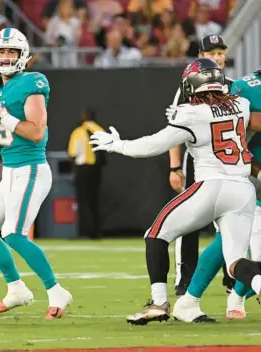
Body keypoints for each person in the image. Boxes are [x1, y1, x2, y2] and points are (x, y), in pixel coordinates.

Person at [90, 58, 261, 325]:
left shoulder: (190, 114)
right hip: (243, 189)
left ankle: (159, 303)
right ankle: (259, 283)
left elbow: (152, 146)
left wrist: (116, 144)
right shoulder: (241, 106)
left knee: (156, 235)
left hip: (211, 186)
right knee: (235, 262)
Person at [0, 28, 72, 319]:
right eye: (1, 51)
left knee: (13, 234)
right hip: (9, 171)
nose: (6, 57)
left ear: (23, 55)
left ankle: (56, 291)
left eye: (12, 51)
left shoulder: (33, 82)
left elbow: (36, 132)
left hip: (31, 169)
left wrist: (5, 115)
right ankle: (16, 289)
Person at [171, 69, 261, 322]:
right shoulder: (245, 88)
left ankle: (225, 296)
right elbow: (235, 133)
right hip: (246, 174)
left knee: (232, 242)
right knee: (235, 242)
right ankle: (207, 297)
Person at [168, 34, 234, 296]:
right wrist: (175, 166)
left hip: (228, 163)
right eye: (212, 53)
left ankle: (233, 276)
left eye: (220, 52)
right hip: (196, 161)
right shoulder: (190, 85)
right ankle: (185, 279)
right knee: (190, 221)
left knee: (230, 222)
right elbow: (175, 128)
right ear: (201, 57)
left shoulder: (233, 85)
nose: (217, 57)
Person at [68, 109, 106, 239]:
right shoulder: (100, 130)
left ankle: (85, 231)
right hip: (96, 169)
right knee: (95, 200)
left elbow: (73, 153)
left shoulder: (78, 132)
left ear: (83, 117)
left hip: (83, 168)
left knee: (83, 201)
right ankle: (97, 232)